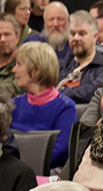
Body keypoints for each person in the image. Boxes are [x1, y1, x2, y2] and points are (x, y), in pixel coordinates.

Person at [10, 40, 78, 169]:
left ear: (35, 71)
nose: (14, 70)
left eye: (19, 64)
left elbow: (61, 151)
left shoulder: (65, 107)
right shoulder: (14, 104)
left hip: (47, 172)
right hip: (15, 169)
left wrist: (23, 165)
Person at [57, 11, 103, 105]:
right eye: (72, 33)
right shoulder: (61, 65)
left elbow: (92, 92)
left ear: (95, 37)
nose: (76, 38)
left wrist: (59, 94)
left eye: (82, 34)